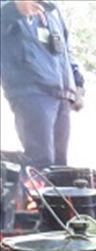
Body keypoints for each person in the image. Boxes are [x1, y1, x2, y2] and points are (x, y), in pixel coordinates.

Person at [0, 0, 83, 168]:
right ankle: (28, 192)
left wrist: (77, 82)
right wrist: (14, 9)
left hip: (62, 93)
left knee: (60, 163)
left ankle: (57, 194)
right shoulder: (8, 5)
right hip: (30, 91)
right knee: (41, 159)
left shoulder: (52, 9)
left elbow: (65, 49)